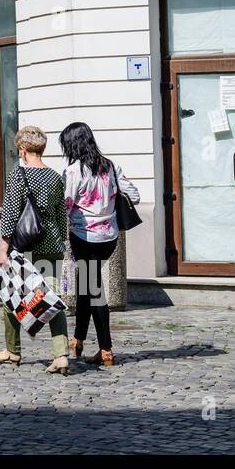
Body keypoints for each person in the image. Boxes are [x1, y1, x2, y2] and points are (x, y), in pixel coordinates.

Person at [0, 126, 71, 373]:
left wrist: (3, 249)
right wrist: (62, 242)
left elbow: (11, 215)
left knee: (11, 297)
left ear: (23, 150)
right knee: (51, 299)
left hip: (24, 247)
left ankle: (13, 351)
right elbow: (60, 215)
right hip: (52, 245)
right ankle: (61, 355)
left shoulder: (19, 175)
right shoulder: (56, 177)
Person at [60, 122, 141, 368]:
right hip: (109, 238)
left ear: (72, 144)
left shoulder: (74, 171)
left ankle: (106, 349)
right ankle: (78, 339)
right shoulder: (111, 166)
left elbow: (66, 204)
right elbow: (134, 195)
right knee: (87, 285)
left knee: (93, 290)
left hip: (84, 238)